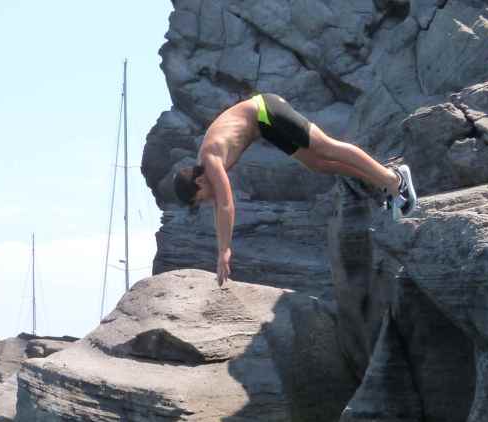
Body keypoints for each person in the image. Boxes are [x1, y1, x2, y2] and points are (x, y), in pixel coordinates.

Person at [174, 92, 418, 285]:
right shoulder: (204, 167)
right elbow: (220, 205)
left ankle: (394, 179)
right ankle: (381, 181)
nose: (207, 200)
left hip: (265, 110)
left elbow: (226, 204)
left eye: (200, 199)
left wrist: (224, 251)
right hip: (264, 125)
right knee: (316, 164)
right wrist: (222, 248)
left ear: (199, 183)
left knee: (327, 147)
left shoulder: (210, 159)